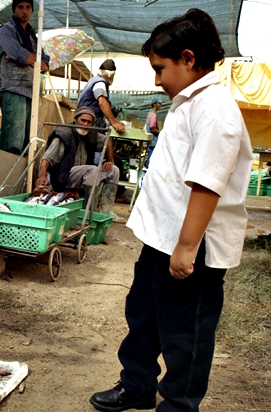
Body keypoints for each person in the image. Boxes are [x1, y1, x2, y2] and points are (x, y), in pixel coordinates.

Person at [90, 8, 253, 412]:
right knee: (142, 318)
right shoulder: (187, 102)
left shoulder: (216, 109)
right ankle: (138, 385)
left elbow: (206, 183)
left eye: (160, 69)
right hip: (161, 240)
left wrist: (185, 247)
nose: (157, 80)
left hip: (190, 249)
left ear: (188, 58)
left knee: (186, 336)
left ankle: (178, 406)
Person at [35, 106, 126, 223]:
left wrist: (110, 160)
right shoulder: (64, 134)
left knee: (113, 170)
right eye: (83, 120)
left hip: (83, 175)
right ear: (75, 119)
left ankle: (107, 211)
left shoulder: (90, 133)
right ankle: (88, 212)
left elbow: (107, 139)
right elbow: (46, 159)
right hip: (61, 175)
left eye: (89, 122)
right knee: (92, 170)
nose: (85, 124)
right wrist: (42, 176)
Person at [0, 0, 50, 155]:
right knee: (13, 144)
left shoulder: (32, 36)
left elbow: (45, 65)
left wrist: (27, 57)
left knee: (27, 144)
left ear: (32, 10)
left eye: (28, 7)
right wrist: (28, 58)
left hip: (30, 91)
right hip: (13, 88)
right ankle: (8, 178)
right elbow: (21, 56)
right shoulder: (6, 30)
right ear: (14, 10)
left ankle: (21, 180)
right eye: (20, 7)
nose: (24, 11)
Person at [77, 59, 125, 134]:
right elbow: (102, 102)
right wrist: (114, 123)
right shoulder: (100, 84)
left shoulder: (93, 80)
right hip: (88, 122)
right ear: (111, 75)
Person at [145, 97, 163, 168]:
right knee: (152, 157)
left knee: (150, 156)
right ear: (154, 104)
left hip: (151, 140)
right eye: (159, 103)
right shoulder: (153, 115)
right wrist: (161, 133)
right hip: (153, 140)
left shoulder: (150, 113)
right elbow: (152, 128)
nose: (161, 105)